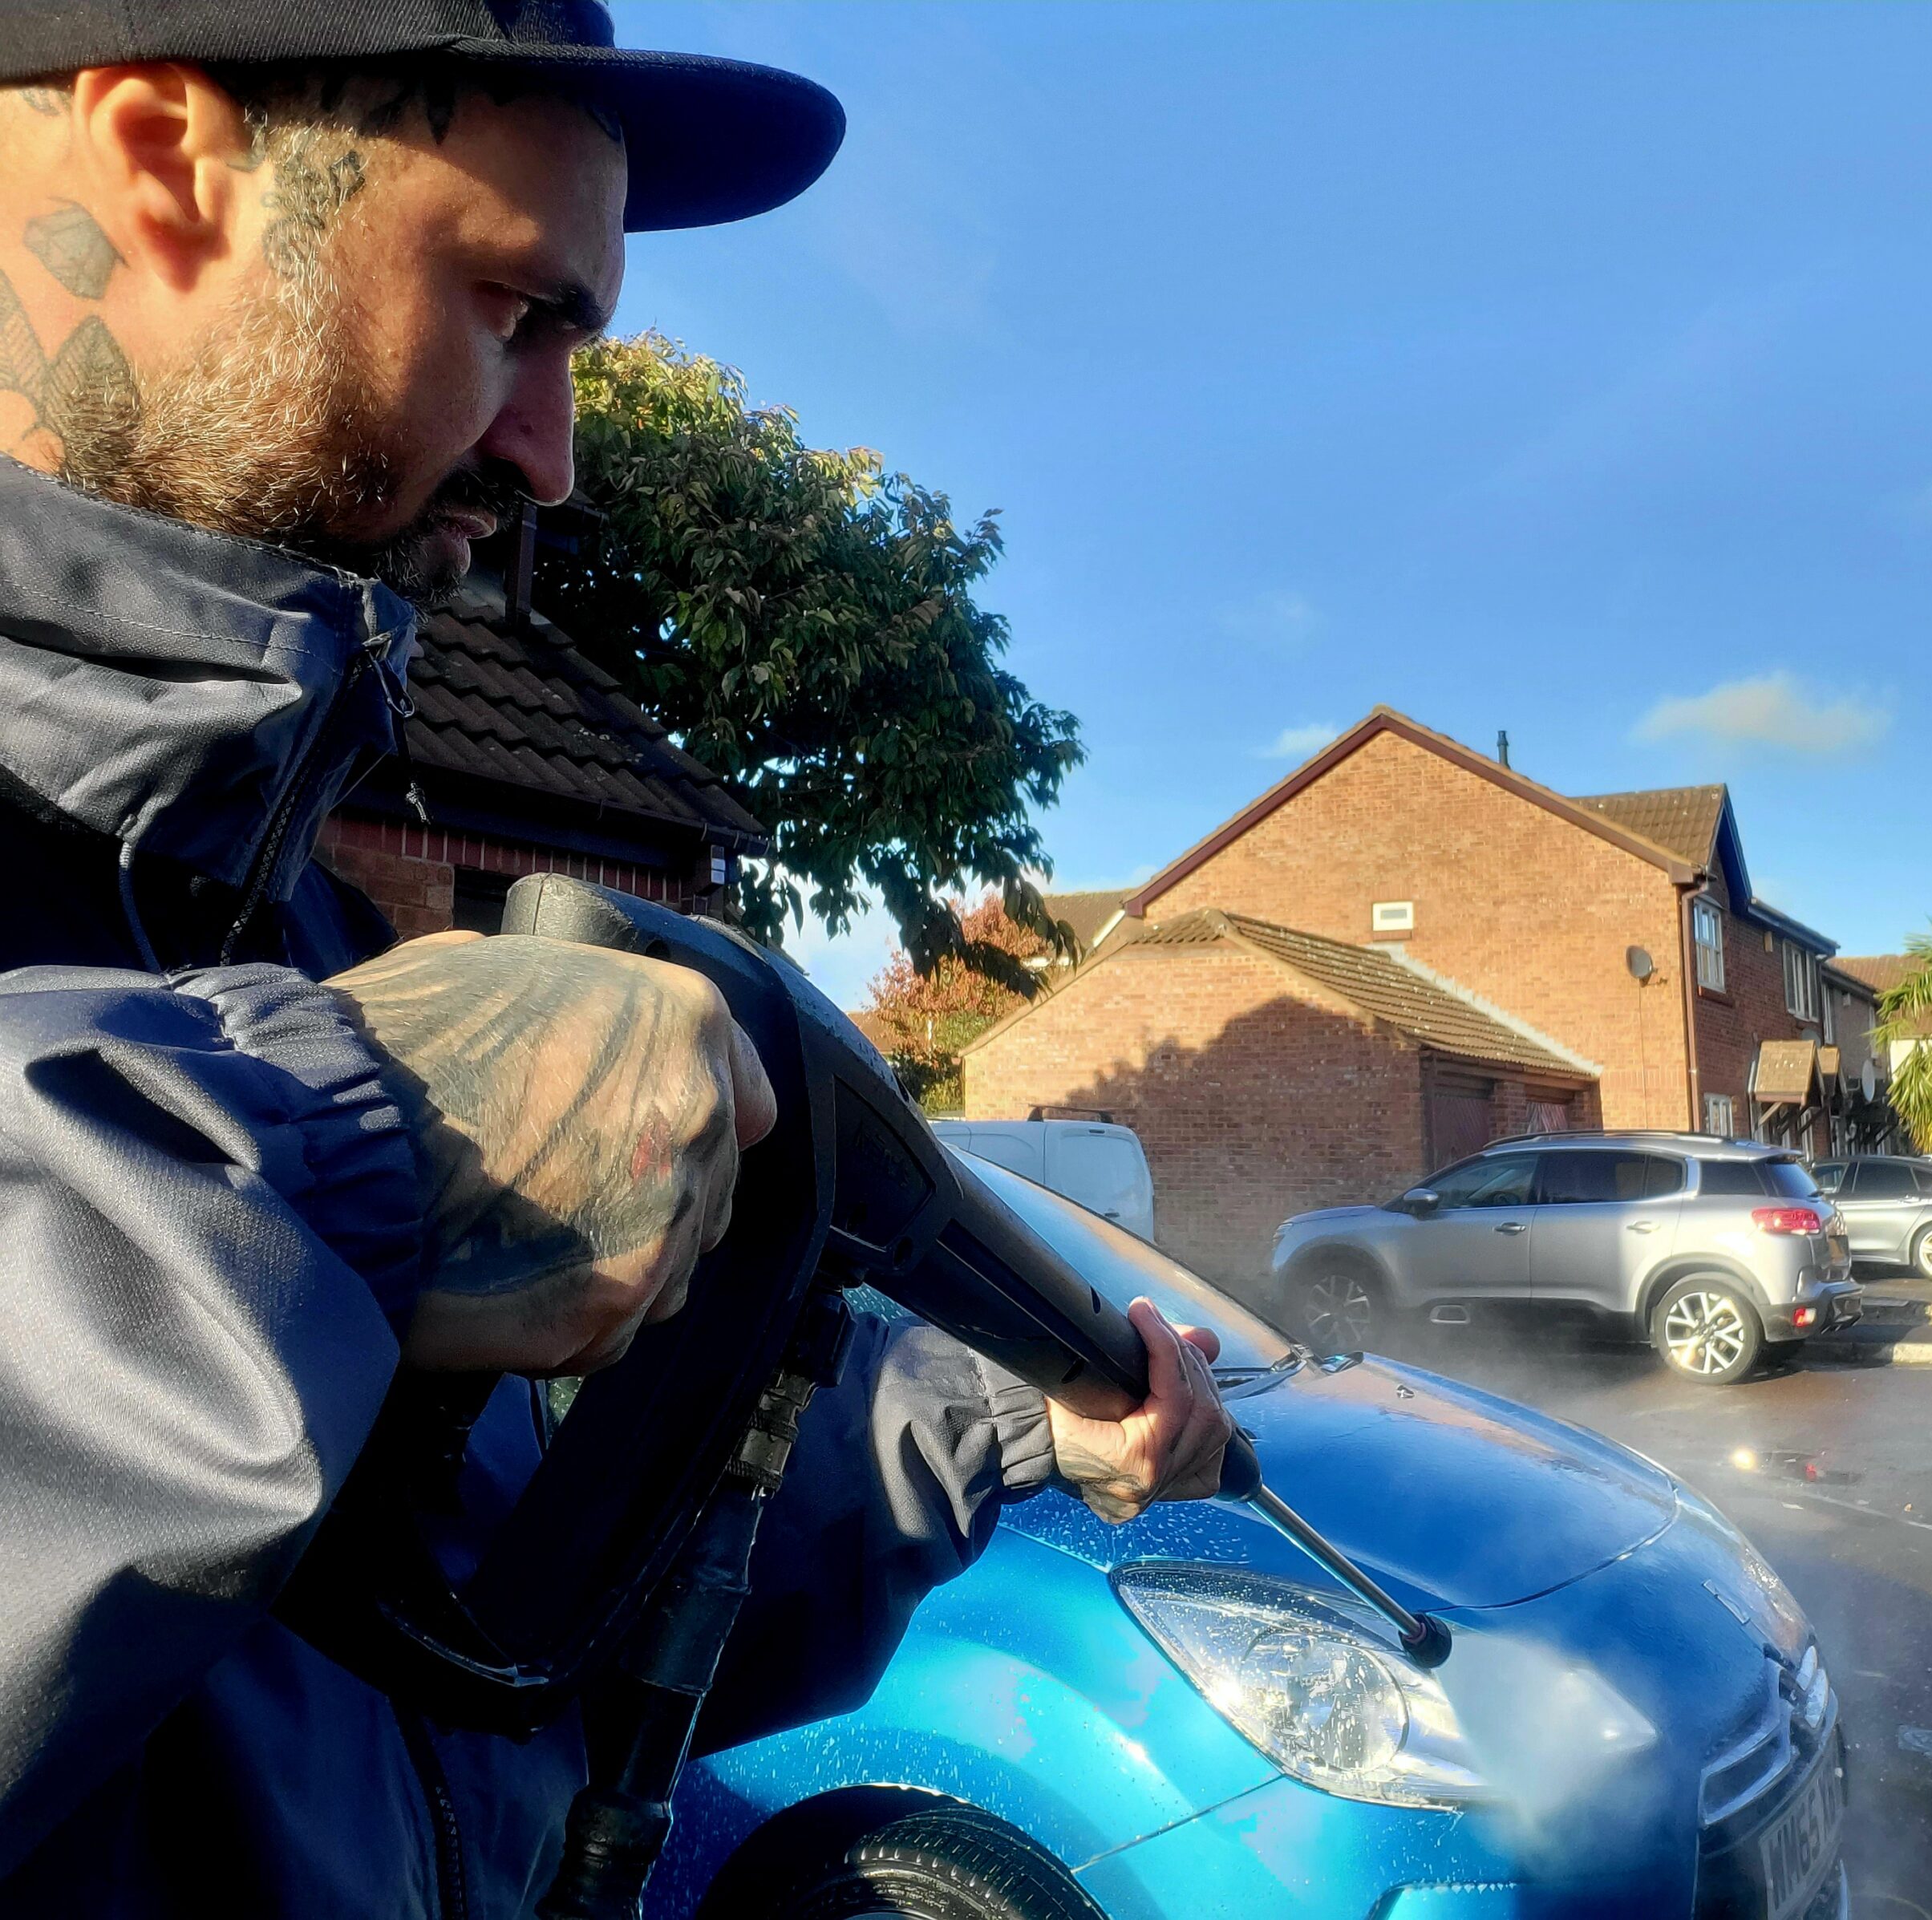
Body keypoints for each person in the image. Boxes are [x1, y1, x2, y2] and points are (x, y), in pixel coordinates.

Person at [0, 6, 1233, 1914]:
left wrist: (1002, 1421)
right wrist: (343, 1149)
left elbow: (491, 1644)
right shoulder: (319, 1049)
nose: (553, 455)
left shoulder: (275, 903)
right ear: (167, 166)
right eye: (512, 309)